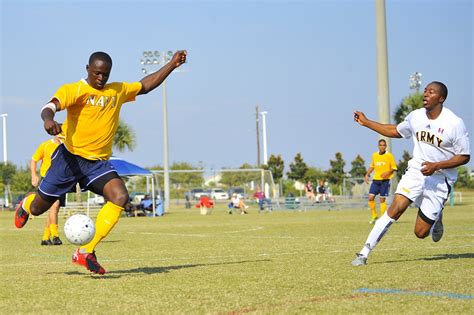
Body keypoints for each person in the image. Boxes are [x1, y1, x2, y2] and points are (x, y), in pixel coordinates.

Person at [15, 50, 187, 274]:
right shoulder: (75, 90)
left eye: (105, 74)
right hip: (70, 159)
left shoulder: (116, 91)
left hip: (98, 163)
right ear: (87, 69)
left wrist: (172, 65)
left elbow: (144, 86)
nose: (100, 78)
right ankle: (26, 205)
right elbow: (49, 106)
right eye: (97, 73)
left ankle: (86, 251)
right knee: (39, 208)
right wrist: (48, 120)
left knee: (120, 197)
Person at [351, 81, 470, 266]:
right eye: (425, 91)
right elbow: (394, 131)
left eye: (431, 92)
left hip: (440, 179)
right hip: (416, 171)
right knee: (395, 208)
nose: (425, 94)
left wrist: (437, 165)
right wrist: (366, 122)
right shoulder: (416, 117)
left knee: (420, 233)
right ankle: (364, 253)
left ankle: (437, 216)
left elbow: (464, 156)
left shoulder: (454, 123)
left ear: (441, 98)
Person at [31, 134, 66, 246]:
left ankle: (45, 237)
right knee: (54, 205)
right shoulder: (46, 145)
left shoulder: (66, 147)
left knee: (53, 210)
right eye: (60, 134)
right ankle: (55, 236)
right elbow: (34, 160)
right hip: (47, 179)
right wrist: (33, 175)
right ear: (55, 134)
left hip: (61, 180)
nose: (62, 136)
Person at [364, 139, 397, 224]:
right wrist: (367, 174)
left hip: (385, 181)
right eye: (380, 145)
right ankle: (374, 216)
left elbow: (394, 168)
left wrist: (387, 172)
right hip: (375, 180)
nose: (382, 147)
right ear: (378, 146)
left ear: (386, 146)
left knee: (382, 200)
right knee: (370, 197)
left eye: (384, 145)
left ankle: (383, 218)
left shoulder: (389, 156)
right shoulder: (374, 155)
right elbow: (372, 166)